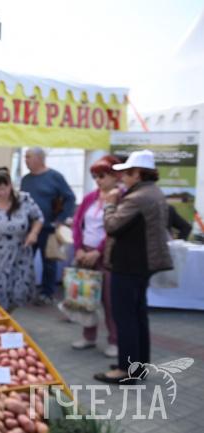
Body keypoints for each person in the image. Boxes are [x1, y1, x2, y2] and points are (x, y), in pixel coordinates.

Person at [94, 150, 172, 384]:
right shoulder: (154, 192)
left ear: (138, 174)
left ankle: (126, 370)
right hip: (142, 264)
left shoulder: (137, 197)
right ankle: (139, 366)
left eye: (127, 173)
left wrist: (109, 205)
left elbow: (112, 226)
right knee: (138, 316)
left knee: (125, 317)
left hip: (128, 264)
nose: (123, 177)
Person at [68, 156, 119, 357]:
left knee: (110, 300)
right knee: (85, 296)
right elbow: (77, 224)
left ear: (115, 176)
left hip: (107, 256)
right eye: (95, 176)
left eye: (102, 176)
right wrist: (79, 248)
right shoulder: (90, 197)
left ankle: (115, 340)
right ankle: (88, 336)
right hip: (85, 253)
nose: (98, 180)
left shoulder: (120, 199)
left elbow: (115, 229)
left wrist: (98, 250)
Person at [0, 172, 44, 311]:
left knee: (18, 294)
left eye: (2, 188)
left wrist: (34, 233)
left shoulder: (24, 199)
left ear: (10, 186)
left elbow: (39, 218)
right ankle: (1, 319)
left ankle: (9, 316)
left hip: (20, 257)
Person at [21, 147, 76, 304]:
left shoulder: (55, 177)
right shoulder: (26, 180)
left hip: (49, 228)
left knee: (49, 262)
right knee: (25, 261)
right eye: (25, 157)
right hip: (29, 228)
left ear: (39, 158)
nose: (25, 160)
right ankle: (25, 290)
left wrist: (61, 218)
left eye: (28, 157)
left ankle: (47, 293)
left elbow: (70, 198)